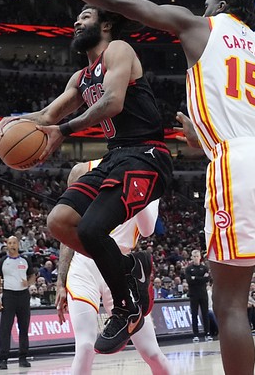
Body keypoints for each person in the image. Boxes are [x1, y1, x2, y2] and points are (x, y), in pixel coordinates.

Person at [10, 0, 255, 375]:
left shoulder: (198, 26)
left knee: (229, 303)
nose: (200, 8)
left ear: (220, 6)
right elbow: (242, 115)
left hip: (233, 161)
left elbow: (118, 1)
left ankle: (129, 290)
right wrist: (201, 135)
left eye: (207, 2)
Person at [0, 0, 173, 355]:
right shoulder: (81, 76)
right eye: (77, 16)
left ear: (106, 22)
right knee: (59, 221)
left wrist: (64, 130)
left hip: (147, 156)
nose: (77, 21)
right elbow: (45, 116)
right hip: (117, 158)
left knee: (93, 228)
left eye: (86, 15)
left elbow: (112, 102)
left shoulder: (119, 50)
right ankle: (131, 268)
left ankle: (126, 306)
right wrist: (13, 123)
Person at [55, 160, 170, 375]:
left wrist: (137, 187)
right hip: (84, 265)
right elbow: (67, 227)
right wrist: (60, 282)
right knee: (85, 346)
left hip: (119, 266)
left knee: (151, 352)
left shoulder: (152, 180)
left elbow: (146, 230)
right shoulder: (83, 170)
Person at [0, 236, 36, 370]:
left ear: (18, 244)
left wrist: (28, 283)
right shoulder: (2, 262)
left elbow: (33, 276)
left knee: (24, 327)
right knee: (5, 328)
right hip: (8, 295)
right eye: (10, 243)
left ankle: (23, 357)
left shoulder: (25, 260)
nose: (12, 245)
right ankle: (3, 359)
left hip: (23, 295)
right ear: (6, 245)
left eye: (14, 243)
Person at [185, 249, 211, 342]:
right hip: (193, 294)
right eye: (194, 256)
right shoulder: (188, 269)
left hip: (203, 294)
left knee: (205, 314)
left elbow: (207, 279)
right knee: (194, 314)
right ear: (192, 257)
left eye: (197, 256)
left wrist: (195, 278)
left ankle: (207, 333)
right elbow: (189, 281)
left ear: (200, 257)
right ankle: (195, 334)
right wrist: (201, 278)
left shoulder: (204, 268)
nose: (196, 258)